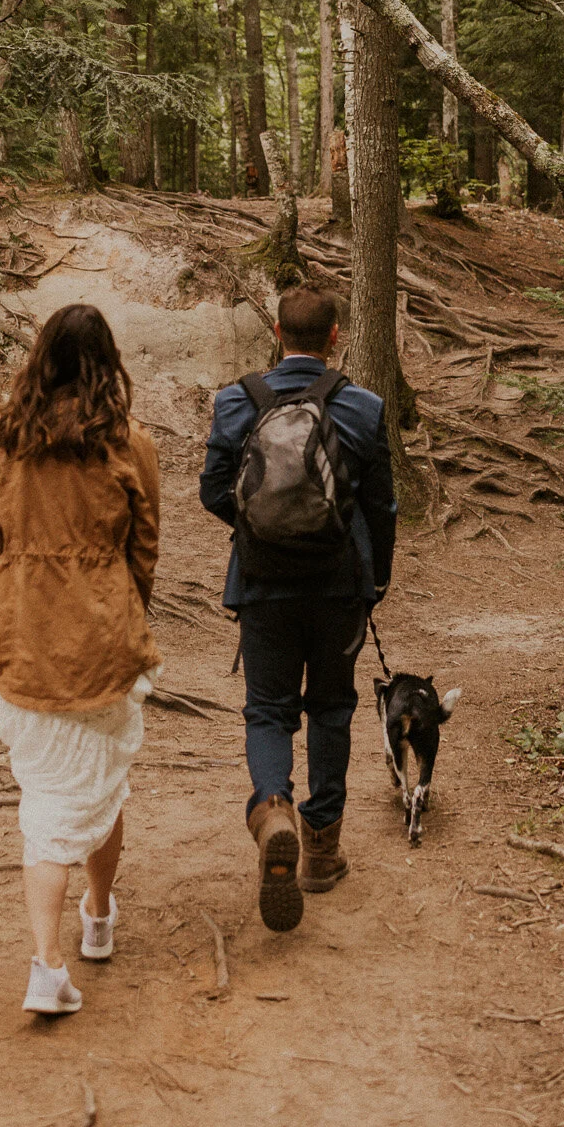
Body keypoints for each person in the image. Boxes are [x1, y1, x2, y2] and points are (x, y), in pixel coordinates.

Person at [0, 304, 160, 1016]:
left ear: (41, 360)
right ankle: (62, 951)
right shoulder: (128, 442)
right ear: (107, 364)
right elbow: (144, 548)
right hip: (101, 638)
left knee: (53, 789)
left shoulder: (11, 439)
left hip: (17, 630)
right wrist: (120, 614)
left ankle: (90, 923)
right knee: (97, 788)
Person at [200, 284, 396, 931]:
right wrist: (377, 578)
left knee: (268, 709)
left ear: (277, 334)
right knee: (332, 707)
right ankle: (320, 852)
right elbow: (381, 509)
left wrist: (259, 526)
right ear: (335, 335)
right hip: (340, 587)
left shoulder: (237, 402)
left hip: (261, 585)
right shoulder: (363, 408)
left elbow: (211, 492)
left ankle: (272, 808)